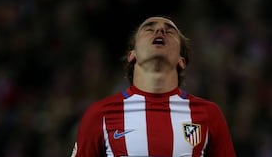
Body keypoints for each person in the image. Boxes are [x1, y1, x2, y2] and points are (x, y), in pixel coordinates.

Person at [71, 16, 236, 157]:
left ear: (181, 60)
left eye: (170, 30)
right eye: (149, 29)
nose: (160, 31)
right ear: (132, 55)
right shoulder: (100, 114)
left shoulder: (208, 114)